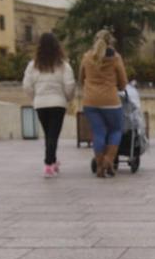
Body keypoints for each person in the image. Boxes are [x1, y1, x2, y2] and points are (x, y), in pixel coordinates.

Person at [22, 32, 75, 178]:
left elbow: (27, 85)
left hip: (41, 104)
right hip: (58, 104)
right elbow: (70, 85)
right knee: (53, 135)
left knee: (49, 134)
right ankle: (48, 164)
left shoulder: (32, 65)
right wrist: (67, 98)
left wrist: (35, 97)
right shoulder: (63, 65)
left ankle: (52, 161)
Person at [80, 29, 128, 178]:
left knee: (98, 132)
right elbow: (123, 82)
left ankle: (100, 166)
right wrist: (118, 87)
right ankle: (108, 160)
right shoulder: (115, 58)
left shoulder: (87, 57)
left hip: (90, 102)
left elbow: (81, 78)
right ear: (110, 42)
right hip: (111, 102)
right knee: (115, 130)